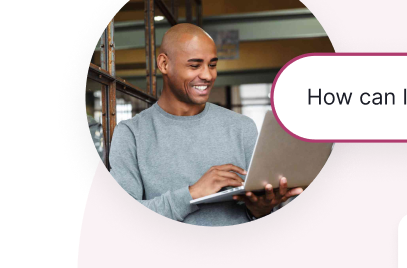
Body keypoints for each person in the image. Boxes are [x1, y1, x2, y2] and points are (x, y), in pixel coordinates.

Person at [108, 23, 302, 225]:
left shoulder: (242, 128)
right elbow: (124, 219)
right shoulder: (131, 134)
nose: (208, 75)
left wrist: (261, 210)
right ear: (164, 64)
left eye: (212, 65)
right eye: (194, 65)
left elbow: (264, 213)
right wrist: (193, 193)